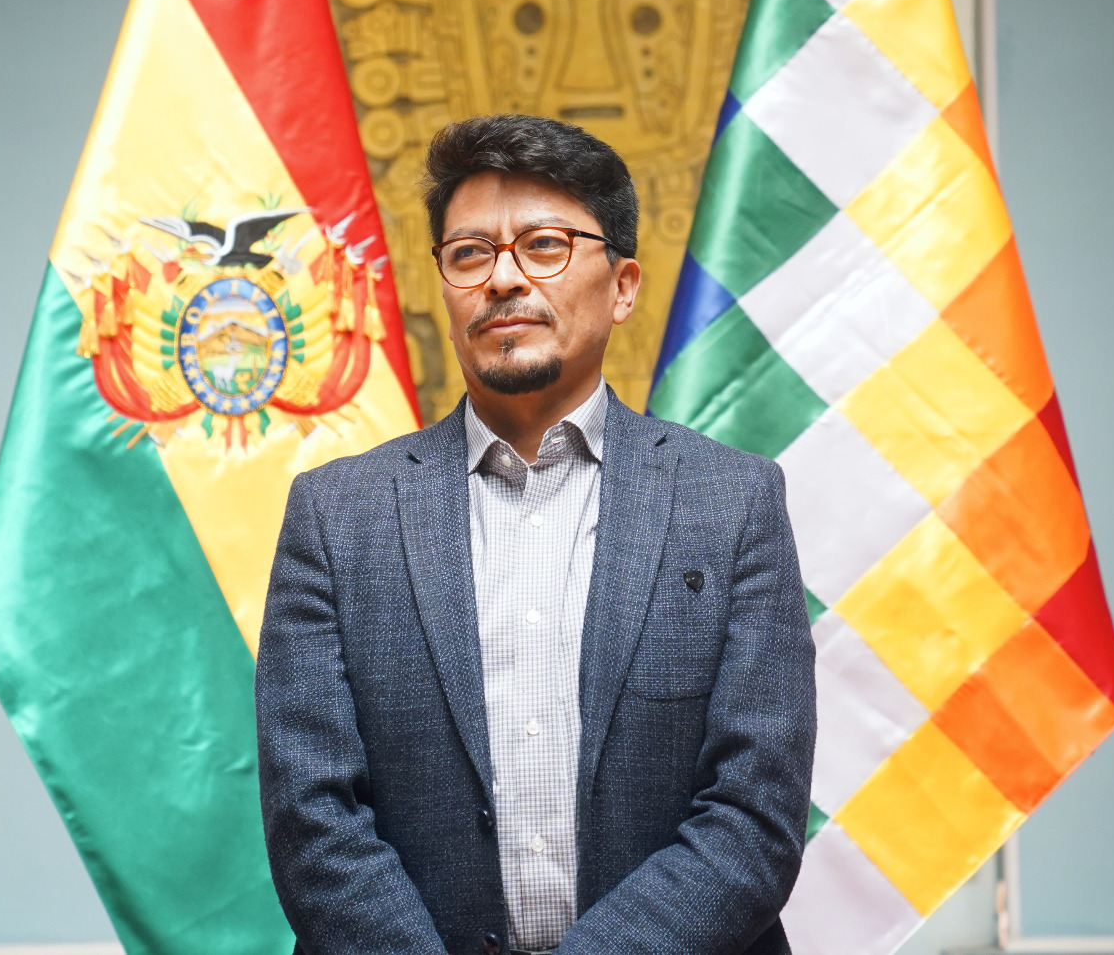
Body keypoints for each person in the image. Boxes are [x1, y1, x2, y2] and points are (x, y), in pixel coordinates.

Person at [256, 114, 816, 955]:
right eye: (470, 254)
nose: (503, 279)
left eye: (545, 246)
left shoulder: (733, 504)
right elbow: (312, 818)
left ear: (622, 285)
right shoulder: (337, 517)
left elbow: (754, 815)